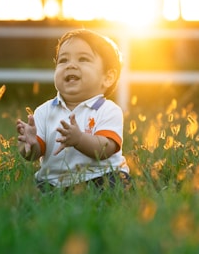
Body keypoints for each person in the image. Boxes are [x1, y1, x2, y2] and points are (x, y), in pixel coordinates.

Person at [16, 28, 131, 191]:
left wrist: (79, 139)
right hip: (54, 181)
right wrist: (29, 144)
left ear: (107, 77)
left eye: (83, 59)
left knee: (115, 185)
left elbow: (106, 148)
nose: (70, 65)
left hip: (101, 175)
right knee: (32, 193)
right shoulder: (44, 111)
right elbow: (34, 153)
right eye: (63, 60)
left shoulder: (107, 110)